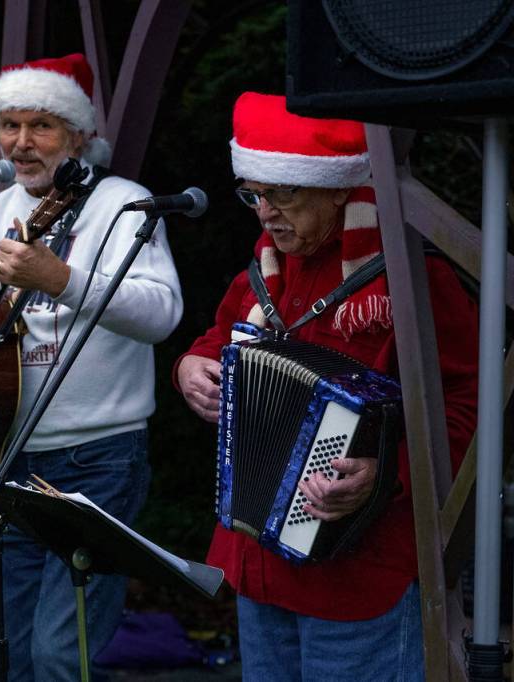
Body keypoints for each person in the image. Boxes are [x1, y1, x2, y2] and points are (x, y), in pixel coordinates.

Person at [0, 53, 183, 679]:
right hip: (0, 460)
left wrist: (63, 278)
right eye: (9, 125)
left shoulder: (122, 204)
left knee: (60, 653)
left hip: (97, 457)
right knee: (9, 651)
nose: (21, 143)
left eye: (41, 126)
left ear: (78, 135)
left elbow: (163, 313)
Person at [173, 92, 479, 680]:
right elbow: (217, 338)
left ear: (338, 186)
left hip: (360, 570)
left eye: (283, 193)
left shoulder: (411, 277)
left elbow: (465, 407)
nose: (265, 212)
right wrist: (191, 367)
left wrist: (386, 469)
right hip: (256, 562)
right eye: (254, 194)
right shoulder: (262, 272)